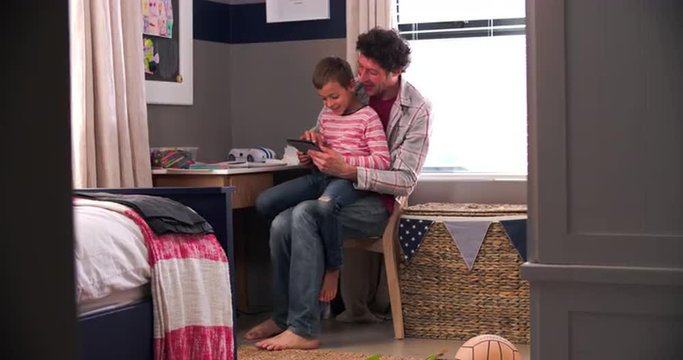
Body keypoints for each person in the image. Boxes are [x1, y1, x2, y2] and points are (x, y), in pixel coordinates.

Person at [245, 27, 431, 351]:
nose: (362, 77)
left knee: (304, 214)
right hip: (333, 188)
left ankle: (303, 328)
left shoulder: (417, 110)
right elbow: (324, 139)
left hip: (379, 204)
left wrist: (350, 170)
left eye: (372, 71)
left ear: (396, 71)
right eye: (360, 67)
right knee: (280, 224)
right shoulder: (348, 89)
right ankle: (284, 316)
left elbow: (405, 179)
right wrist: (311, 150)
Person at [254, 56, 391, 305]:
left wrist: (344, 162)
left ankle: (332, 268)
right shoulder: (327, 116)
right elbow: (322, 148)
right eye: (324, 99)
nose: (329, 104)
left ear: (351, 85)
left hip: (347, 181)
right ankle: (289, 292)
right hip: (321, 176)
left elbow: (382, 161)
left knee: (323, 207)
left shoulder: (368, 118)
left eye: (334, 97)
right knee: (265, 201)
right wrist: (309, 154)